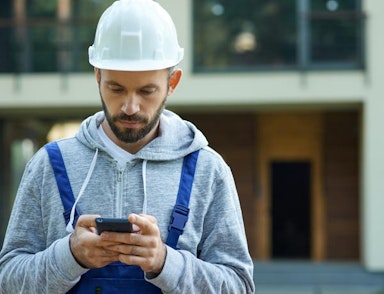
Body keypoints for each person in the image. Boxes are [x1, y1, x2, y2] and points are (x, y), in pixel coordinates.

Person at [0, 0, 255, 293]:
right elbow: (8, 281)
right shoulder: (49, 164)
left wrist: (163, 262)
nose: (130, 107)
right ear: (98, 77)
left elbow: (239, 287)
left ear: (173, 82)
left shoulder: (208, 170)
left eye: (147, 91)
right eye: (116, 88)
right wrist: (69, 257)